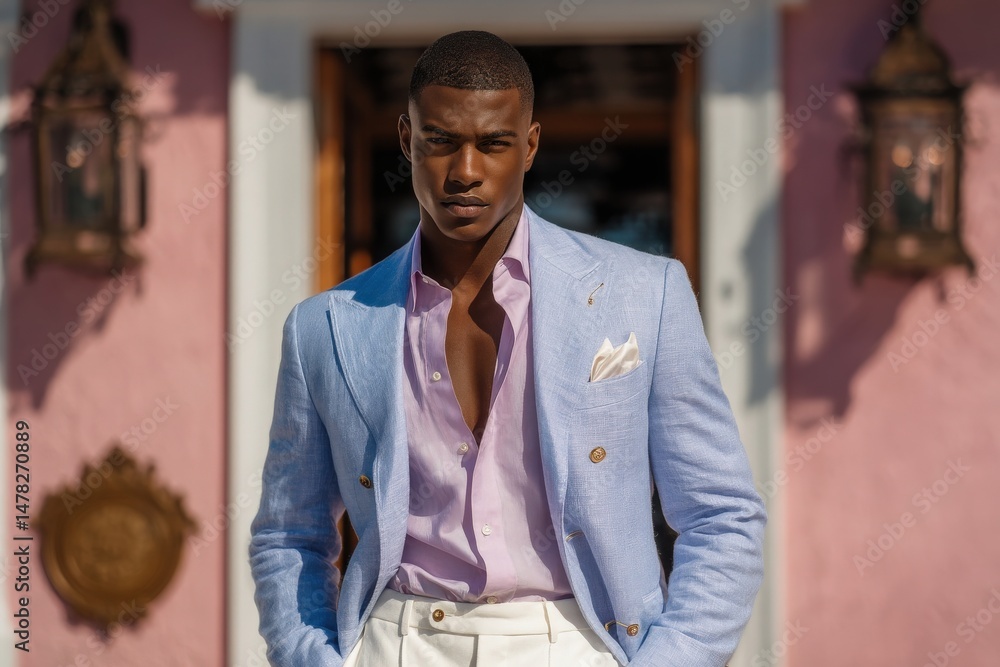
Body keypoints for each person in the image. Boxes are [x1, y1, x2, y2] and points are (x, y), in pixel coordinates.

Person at [249, 30, 766, 667]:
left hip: (575, 643)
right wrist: (313, 657)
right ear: (407, 139)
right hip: (397, 642)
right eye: (441, 140)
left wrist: (673, 659)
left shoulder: (645, 294)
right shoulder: (325, 326)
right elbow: (288, 535)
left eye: (493, 143)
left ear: (530, 145)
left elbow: (722, 514)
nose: (466, 172)